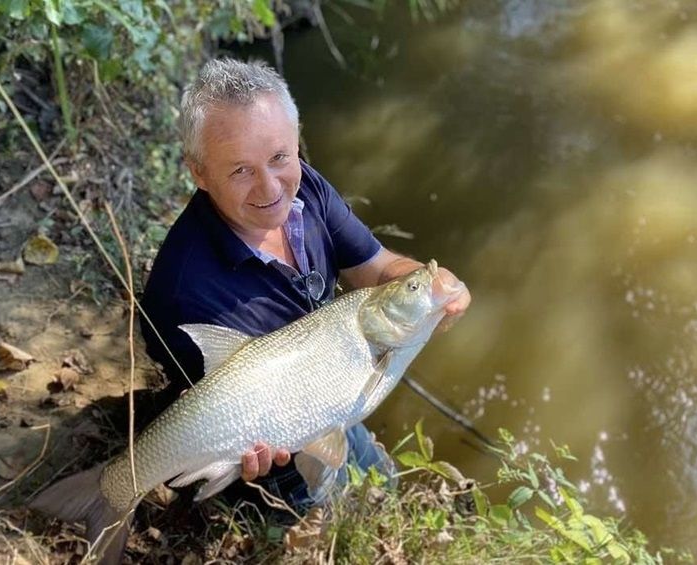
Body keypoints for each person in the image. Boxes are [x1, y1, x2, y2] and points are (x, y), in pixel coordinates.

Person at [140, 58, 470, 509]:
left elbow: (377, 268)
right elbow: (205, 406)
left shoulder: (306, 188)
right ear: (199, 172)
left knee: (381, 490)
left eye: (280, 157)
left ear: (295, 143)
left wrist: (426, 284)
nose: (270, 187)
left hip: (330, 378)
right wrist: (248, 453)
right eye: (240, 170)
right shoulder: (181, 293)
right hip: (270, 450)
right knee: (316, 513)